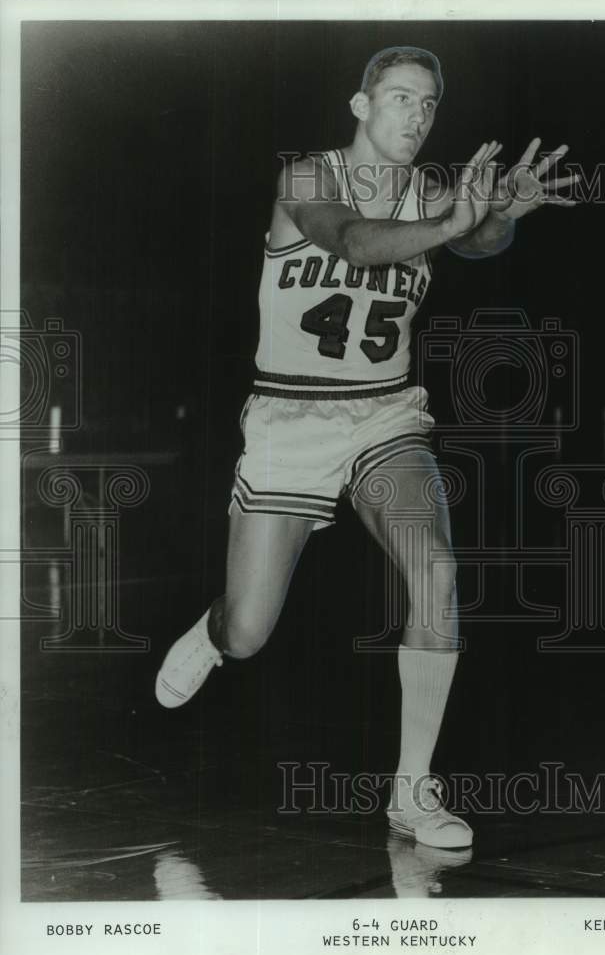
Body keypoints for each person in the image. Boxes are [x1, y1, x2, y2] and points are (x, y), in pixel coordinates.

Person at [155, 46, 577, 849]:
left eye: (427, 105)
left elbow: (473, 243)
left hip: (384, 415)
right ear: (360, 104)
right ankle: (209, 635)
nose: (415, 116)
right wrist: (457, 221)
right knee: (249, 632)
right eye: (399, 98)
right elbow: (350, 241)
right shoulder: (307, 180)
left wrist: (500, 218)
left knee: (439, 572)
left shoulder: (429, 193)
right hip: (291, 418)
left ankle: (413, 792)